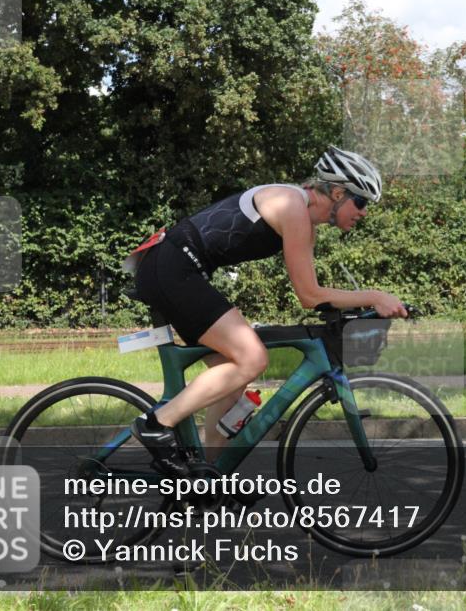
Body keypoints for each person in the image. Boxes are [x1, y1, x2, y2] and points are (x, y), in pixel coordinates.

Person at [129, 146, 408, 477]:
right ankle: (155, 423)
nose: (363, 212)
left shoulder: (303, 220)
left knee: (231, 381)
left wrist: (365, 300)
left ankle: (208, 474)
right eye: (360, 202)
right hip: (174, 267)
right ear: (336, 193)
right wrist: (374, 296)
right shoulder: (292, 207)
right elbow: (309, 295)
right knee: (252, 358)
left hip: (177, 268)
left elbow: (315, 292)